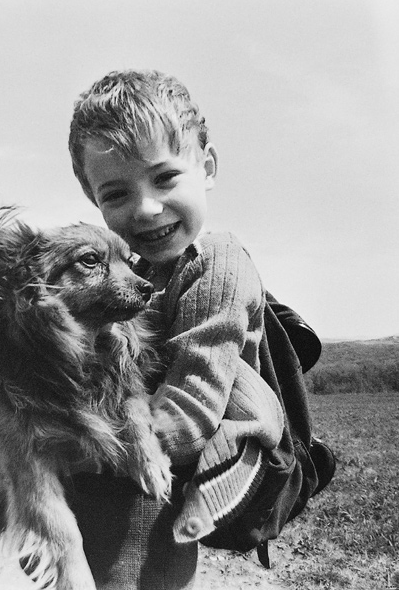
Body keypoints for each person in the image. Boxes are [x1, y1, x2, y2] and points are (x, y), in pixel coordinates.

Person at [63, 69, 285, 589]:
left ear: (206, 166)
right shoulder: (132, 271)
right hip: (120, 463)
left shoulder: (216, 265)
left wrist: (76, 448)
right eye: (116, 194)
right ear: (94, 200)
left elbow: (193, 403)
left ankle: (225, 481)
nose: (146, 207)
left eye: (164, 178)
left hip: (156, 482)